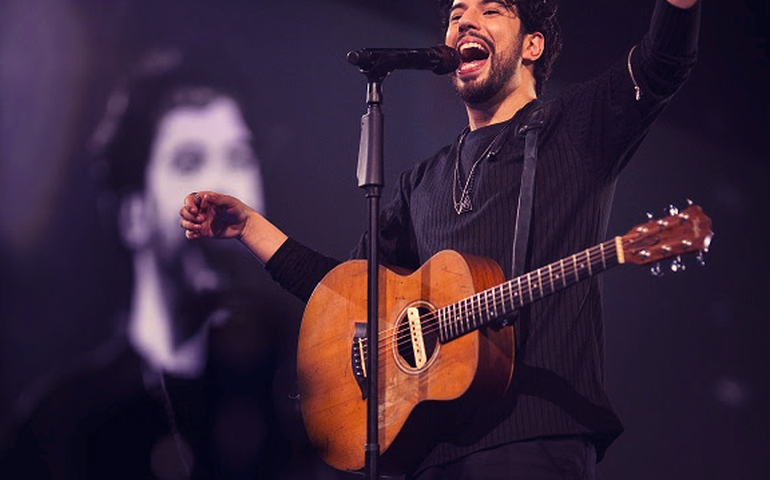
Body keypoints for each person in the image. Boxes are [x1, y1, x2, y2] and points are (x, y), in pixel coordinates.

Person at [179, 0, 702, 478]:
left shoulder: (575, 126)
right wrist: (249, 227)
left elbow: (661, 66)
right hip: (427, 451)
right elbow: (344, 299)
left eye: (491, 10)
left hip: (534, 439)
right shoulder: (422, 181)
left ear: (532, 45)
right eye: (456, 13)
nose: (465, 21)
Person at [1, 49, 300, 479]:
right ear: (133, 214)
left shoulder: (288, 391)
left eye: (239, 158)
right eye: (189, 162)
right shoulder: (62, 425)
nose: (226, 193)